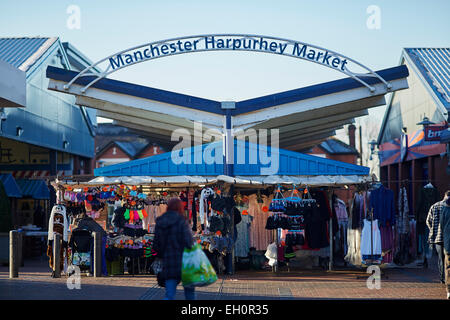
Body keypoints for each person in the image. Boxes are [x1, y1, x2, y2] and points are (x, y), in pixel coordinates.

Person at [153, 197, 195, 300]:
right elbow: (188, 243)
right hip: (184, 262)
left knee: (169, 294)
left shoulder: (160, 221)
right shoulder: (182, 221)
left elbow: (156, 245)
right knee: (189, 293)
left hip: (168, 262)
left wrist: (163, 254)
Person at [426, 191, 448, 285]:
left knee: (440, 259)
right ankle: (447, 278)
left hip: (437, 238)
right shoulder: (448, 207)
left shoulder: (434, 206)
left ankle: (442, 278)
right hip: (448, 237)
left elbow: (428, 221)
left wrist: (433, 230)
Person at [438, 190, 450, 299]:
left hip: (447, 243)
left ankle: (449, 290)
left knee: (447, 266)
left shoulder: (444, 210)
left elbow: (441, 226)